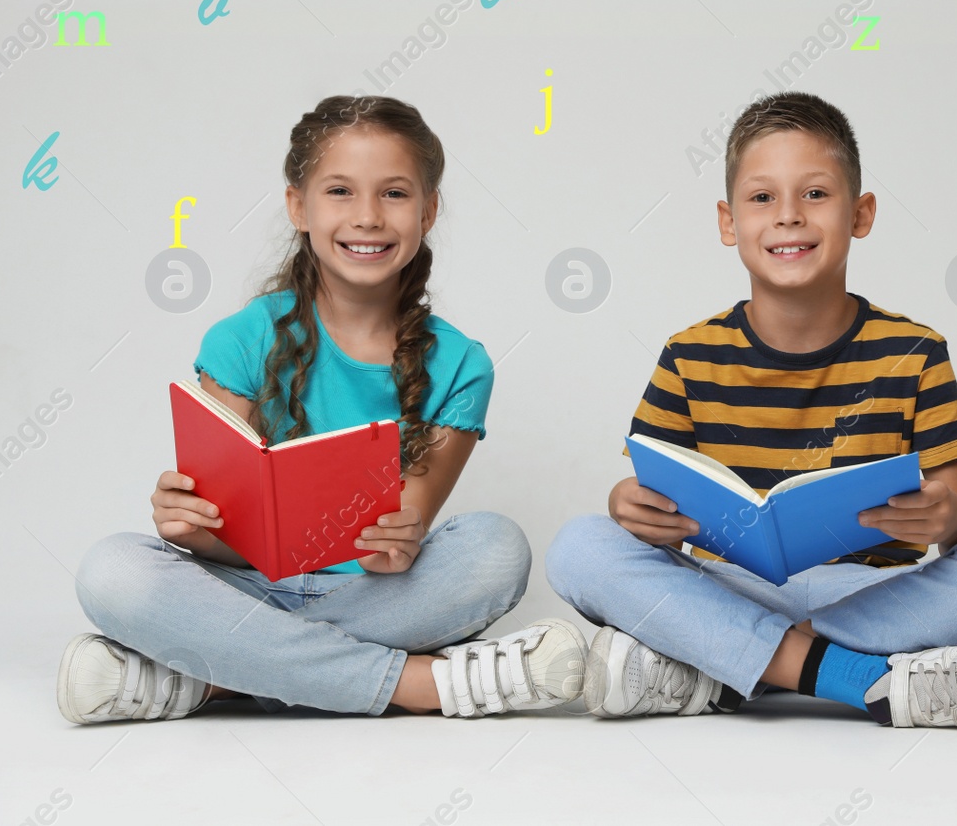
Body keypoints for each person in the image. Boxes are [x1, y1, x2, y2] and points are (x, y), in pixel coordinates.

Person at [60, 95, 585, 723]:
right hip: (245, 586)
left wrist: (399, 541)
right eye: (340, 191)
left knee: (498, 548)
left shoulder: (462, 364)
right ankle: (420, 685)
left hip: (373, 592)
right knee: (110, 570)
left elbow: (403, 533)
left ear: (429, 210)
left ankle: (208, 681)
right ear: (297, 207)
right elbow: (221, 540)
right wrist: (187, 522)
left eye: (394, 193)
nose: (367, 216)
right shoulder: (240, 340)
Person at [546, 92, 957, 728]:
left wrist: (949, 518)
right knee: (579, 546)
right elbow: (651, 503)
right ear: (729, 223)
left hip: (870, 595)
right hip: (729, 588)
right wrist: (629, 505)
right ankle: (852, 677)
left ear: (860, 214)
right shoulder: (688, 354)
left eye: (815, 194)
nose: (788, 217)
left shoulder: (914, 353)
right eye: (763, 199)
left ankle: (723, 669)